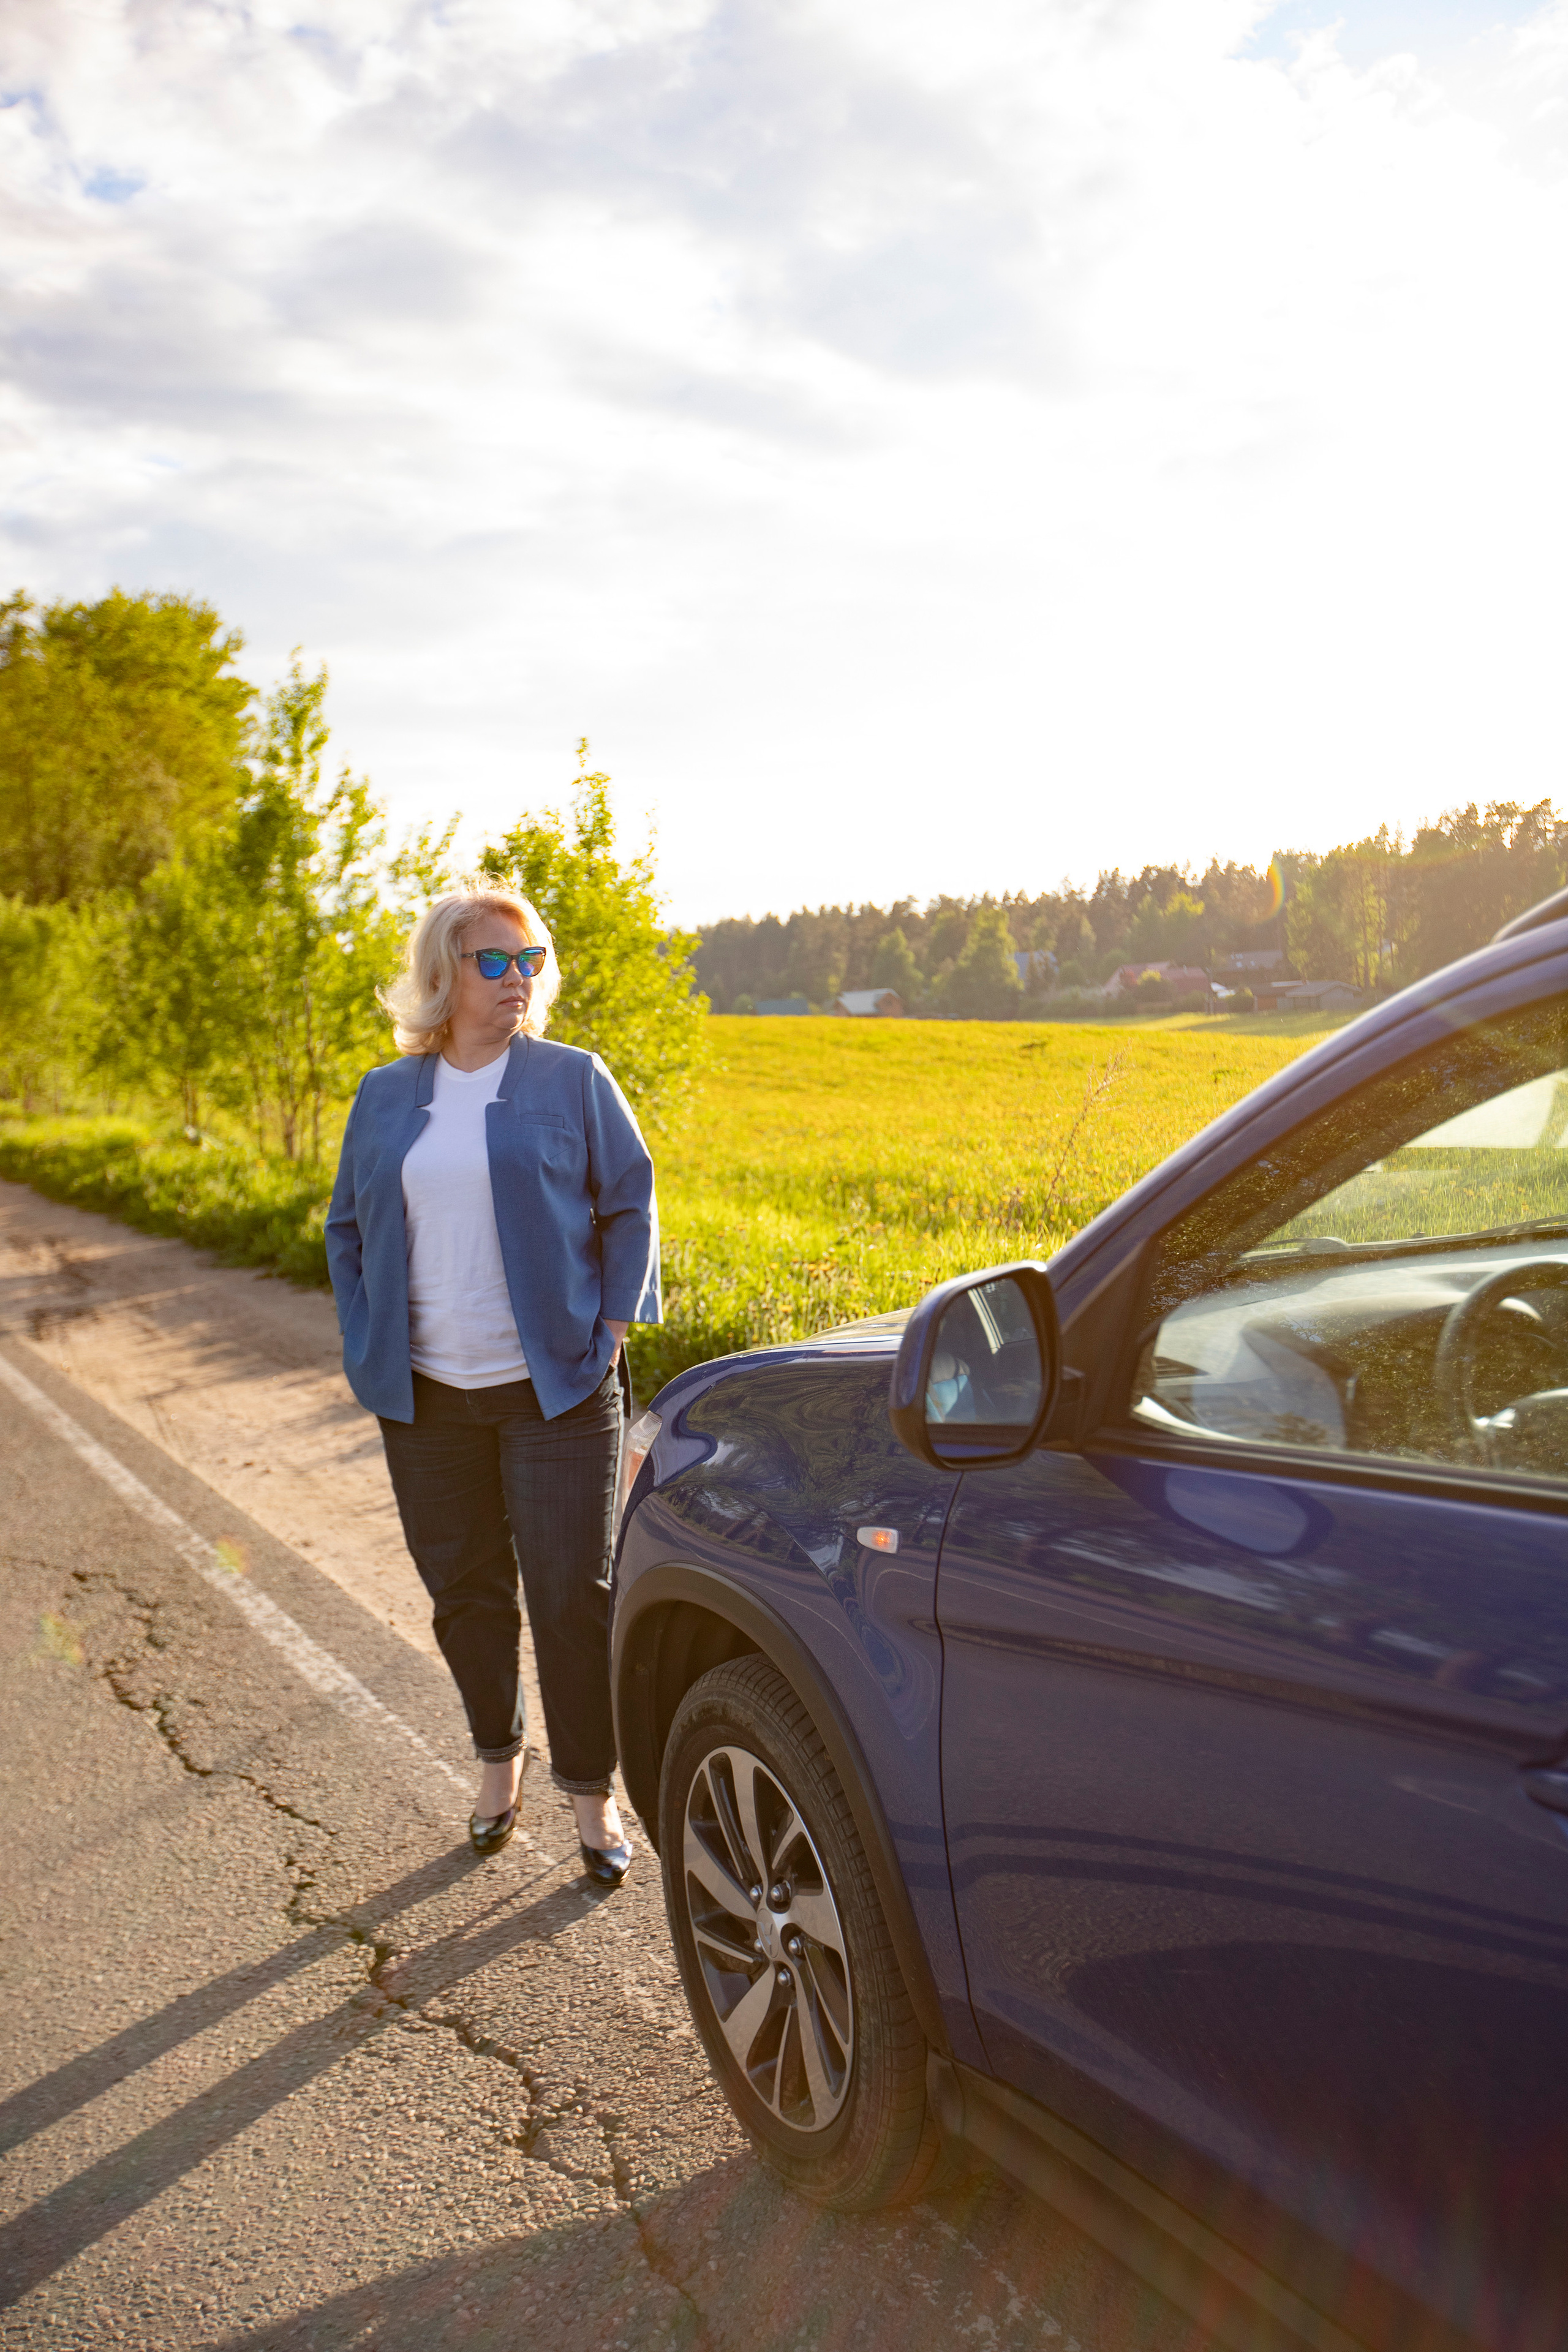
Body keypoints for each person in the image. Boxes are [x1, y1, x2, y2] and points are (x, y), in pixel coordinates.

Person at [325, 882, 659, 1878]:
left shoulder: (572, 1079)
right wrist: (367, 1337)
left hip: (554, 1390)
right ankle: (497, 1760)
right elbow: (348, 1228)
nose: (520, 980)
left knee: (572, 1596)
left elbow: (632, 1202)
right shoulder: (387, 1094)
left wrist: (609, 1326)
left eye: (533, 961)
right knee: (465, 1592)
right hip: (425, 1394)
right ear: (444, 974)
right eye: (496, 962)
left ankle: (593, 1799)